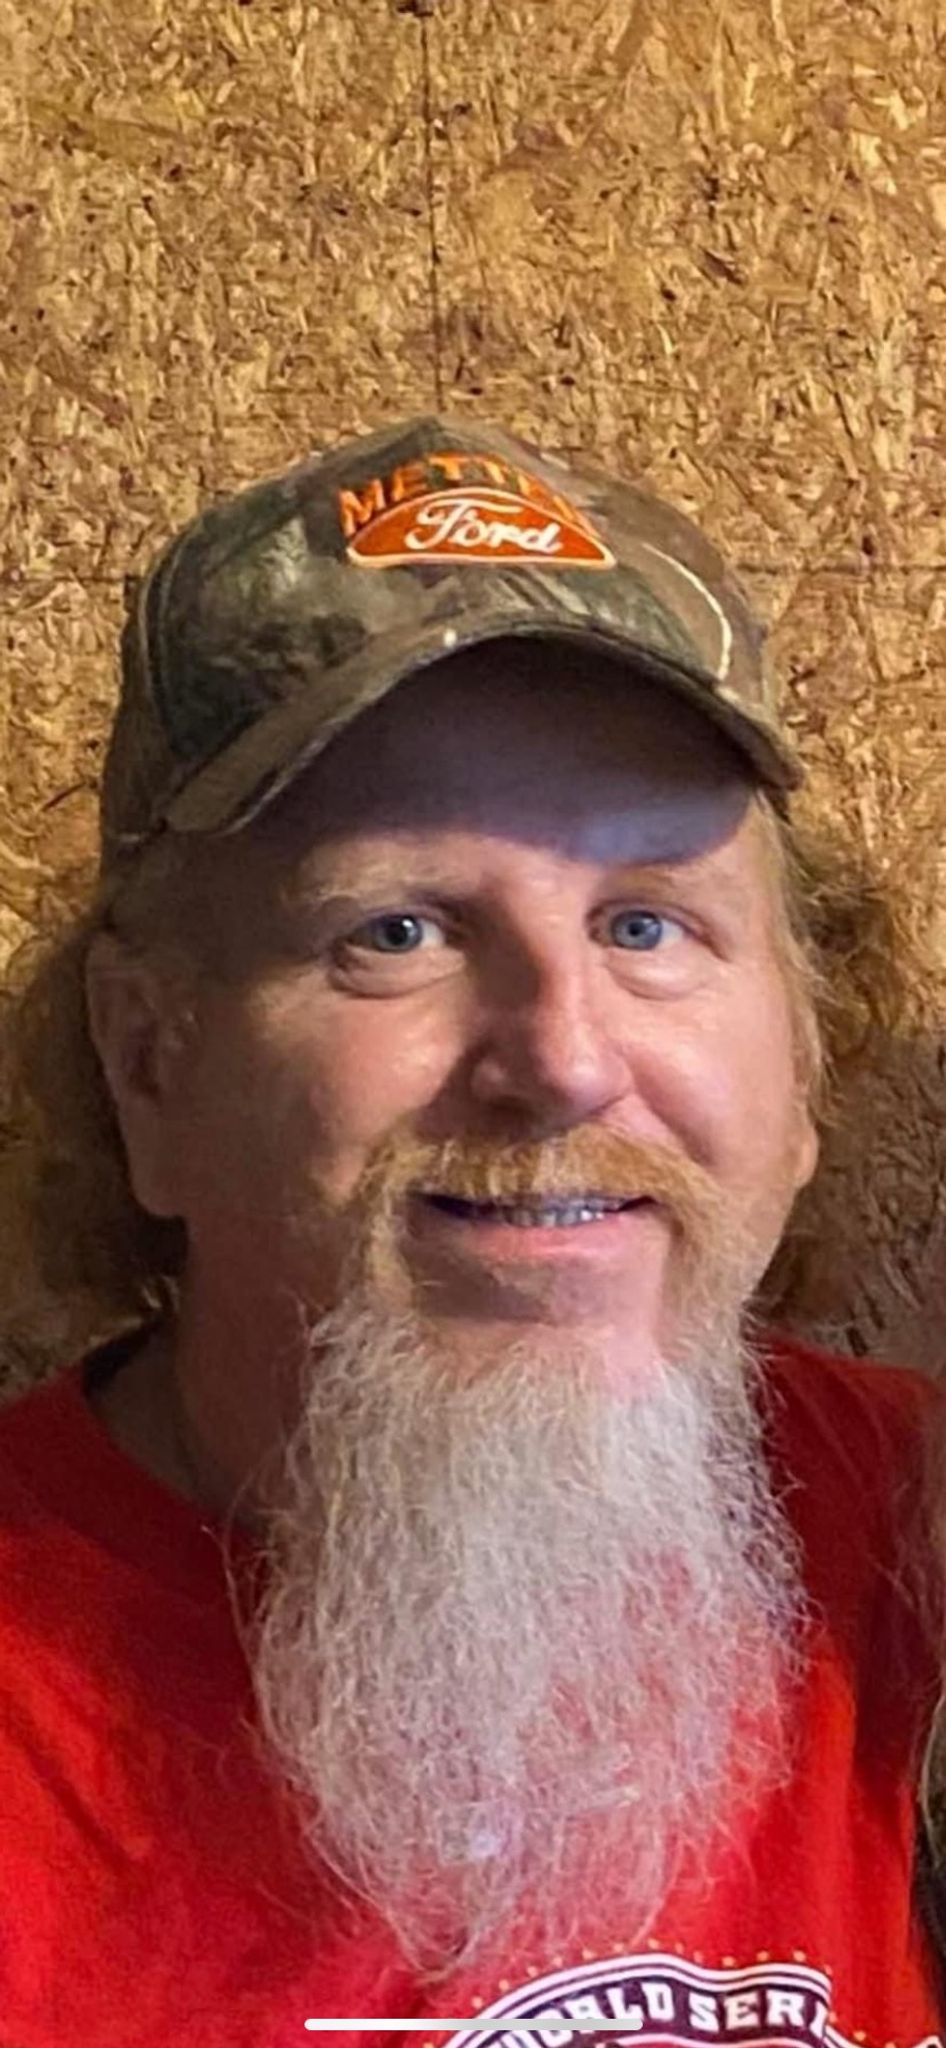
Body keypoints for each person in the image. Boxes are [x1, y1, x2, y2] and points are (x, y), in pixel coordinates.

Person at [0, 415, 942, 2047]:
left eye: (646, 923)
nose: (562, 1059)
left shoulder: (909, 1548)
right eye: (396, 931)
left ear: (802, 1066)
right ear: (148, 1061)